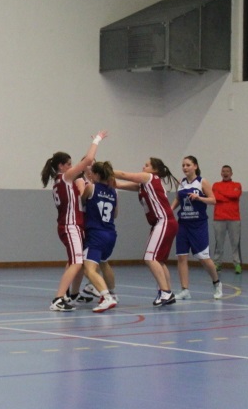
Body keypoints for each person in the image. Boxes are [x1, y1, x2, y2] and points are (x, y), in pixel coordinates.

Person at [40, 131, 108, 312]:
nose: (71, 167)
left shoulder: (61, 181)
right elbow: (88, 160)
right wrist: (97, 140)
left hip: (73, 225)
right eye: (69, 164)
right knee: (77, 262)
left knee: (75, 262)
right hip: (70, 226)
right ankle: (58, 299)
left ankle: (69, 295)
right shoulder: (65, 177)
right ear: (61, 166)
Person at [113, 158, 179, 306]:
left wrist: (104, 169)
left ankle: (165, 293)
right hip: (162, 223)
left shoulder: (149, 177)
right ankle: (167, 292)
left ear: (154, 170)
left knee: (150, 257)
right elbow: (118, 184)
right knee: (158, 261)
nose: (143, 166)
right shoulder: (144, 185)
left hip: (164, 221)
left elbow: (123, 175)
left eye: (147, 165)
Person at [171, 156, 223, 300]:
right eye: (183, 165)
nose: (185, 167)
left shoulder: (202, 182)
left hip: (198, 225)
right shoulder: (181, 182)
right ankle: (185, 290)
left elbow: (213, 200)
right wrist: (170, 209)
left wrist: (199, 198)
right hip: (183, 224)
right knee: (181, 256)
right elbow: (178, 198)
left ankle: (217, 283)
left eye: (188, 165)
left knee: (203, 258)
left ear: (195, 166)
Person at [81, 161, 120, 313]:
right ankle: (113, 293)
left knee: (89, 269)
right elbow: (115, 214)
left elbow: (81, 202)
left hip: (96, 234)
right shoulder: (114, 192)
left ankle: (106, 297)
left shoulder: (91, 187)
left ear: (96, 174)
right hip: (110, 233)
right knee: (104, 263)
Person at [211, 165, 243, 275]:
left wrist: (222, 194)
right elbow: (215, 197)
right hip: (219, 218)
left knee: (235, 243)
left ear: (231, 173)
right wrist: (228, 196)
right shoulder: (216, 185)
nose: (225, 173)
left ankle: (237, 264)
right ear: (221, 173)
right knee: (219, 243)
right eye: (223, 171)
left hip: (234, 218)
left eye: (227, 171)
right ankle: (217, 263)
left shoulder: (237, 185)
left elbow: (235, 195)